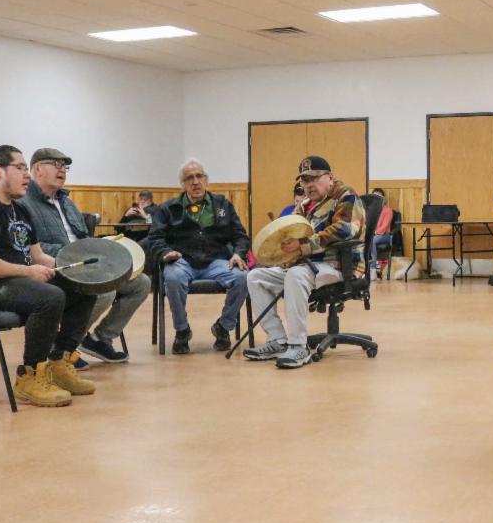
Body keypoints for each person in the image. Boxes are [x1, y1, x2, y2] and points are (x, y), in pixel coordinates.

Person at [0, 145, 97, 407]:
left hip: (9, 282)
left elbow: (39, 257)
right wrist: (28, 272)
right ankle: (30, 375)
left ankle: (59, 362)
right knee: (49, 297)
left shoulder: (19, 209)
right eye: (20, 168)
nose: (27, 174)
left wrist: (76, 269)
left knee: (83, 287)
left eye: (27, 168)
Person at [22, 148, 151, 364]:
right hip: (55, 267)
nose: (62, 170)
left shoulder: (67, 202)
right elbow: (30, 247)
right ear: (37, 169)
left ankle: (99, 339)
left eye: (65, 166)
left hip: (85, 264)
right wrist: (71, 255)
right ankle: (64, 347)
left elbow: (84, 238)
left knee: (141, 283)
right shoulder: (23, 204)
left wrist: (101, 247)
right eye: (56, 164)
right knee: (104, 290)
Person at [244, 156, 365, 369]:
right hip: (306, 267)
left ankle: (298, 346)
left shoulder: (346, 196)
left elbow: (345, 230)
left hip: (339, 265)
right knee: (256, 277)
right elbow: (289, 232)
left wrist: (302, 246)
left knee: (296, 275)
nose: (309, 185)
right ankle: (278, 340)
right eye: (305, 180)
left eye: (314, 178)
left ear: (330, 177)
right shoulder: (305, 205)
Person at [147, 159, 250, 355]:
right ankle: (182, 330)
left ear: (206, 180)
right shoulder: (168, 208)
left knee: (242, 277)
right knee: (173, 277)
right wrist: (165, 252)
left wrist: (238, 254)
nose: (195, 182)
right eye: (189, 178)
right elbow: (155, 238)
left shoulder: (223, 205)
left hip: (216, 261)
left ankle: (224, 326)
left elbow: (240, 235)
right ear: (182, 184)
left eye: (199, 176)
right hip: (181, 260)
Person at [370, 187, 394, 278]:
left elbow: (384, 227)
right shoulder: (370, 210)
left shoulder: (388, 210)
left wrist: (374, 233)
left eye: (379, 196)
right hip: (373, 234)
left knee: (372, 241)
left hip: (385, 235)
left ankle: (373, 269)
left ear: (383, 198)